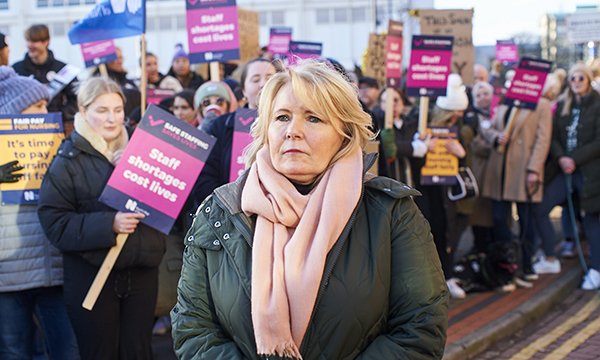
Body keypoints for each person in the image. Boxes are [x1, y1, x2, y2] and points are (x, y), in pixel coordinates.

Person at [171, 60, 448, 359]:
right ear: (266, 129)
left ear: (344, 132)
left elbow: (420, 327)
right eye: (282, 117)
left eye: (313, 118)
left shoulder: (391, 212)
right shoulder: (220, 212)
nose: (293, 131)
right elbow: (192, 329)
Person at [37, 77, 167, 359]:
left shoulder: (146, 153)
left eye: (118, 110)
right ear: (83, 112)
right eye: (102, 110)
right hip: (92, 275)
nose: (112, 119)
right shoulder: (67, 160)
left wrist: (139, 171)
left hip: (142, 272)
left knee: (138, 352)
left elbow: (170, 207)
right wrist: (109, 224)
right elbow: (54, 221)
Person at [0, 66, 79, 359]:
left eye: (47, 105)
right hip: (8, 275)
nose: (46, 111)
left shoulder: (58, 145)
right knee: (13, 351)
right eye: (37, 105)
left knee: (66, 350)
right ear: (12, 112)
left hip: (54, 267)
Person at [480, 74, 552, 281]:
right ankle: (508, 264)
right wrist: (496, 137)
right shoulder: (507, 102)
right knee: (499, 218)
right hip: (500, 170)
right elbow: (491, 128)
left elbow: (543, 139)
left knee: (526, 221)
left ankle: (527, 265)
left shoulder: (541, 105)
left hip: (524, 170)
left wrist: (534, 169)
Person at [534, 63, 600, 288]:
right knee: (541, 207)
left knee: (591, 218)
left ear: (589, 80)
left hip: (590, 172)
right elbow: (553, 138)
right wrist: (562, 158)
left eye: (581, 78)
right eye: (573, 79)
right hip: (565, 171)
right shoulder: (563, 105)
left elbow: (598, 142)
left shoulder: (597, 104)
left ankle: (595, 269)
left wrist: (575, 159)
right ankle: (551, 257)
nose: (576, 82)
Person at [413, 74, 472, 299]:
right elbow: (413, 159)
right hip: (426, 190)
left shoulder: (457, 129)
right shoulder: (420, 124)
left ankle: (446, 277)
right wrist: (422, 147)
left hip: (446, 191)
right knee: (430, 232)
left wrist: (460, 154)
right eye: (455, 112)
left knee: (447, 232)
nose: (459, 115)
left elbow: (462, 162)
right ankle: (432, 280)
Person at [193, 58, 276, 205]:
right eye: (255, 79)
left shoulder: (291, 126)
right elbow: (205, 176)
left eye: (270, 78)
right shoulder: (222, 125)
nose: (263, 84)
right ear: (243, 90)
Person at [12, 24, 78, 132]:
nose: (29, 45)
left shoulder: (62, 69)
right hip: (24, 128)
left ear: (46, 42)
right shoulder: (16, 69)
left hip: (56, 126)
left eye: (34, 41)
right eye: (28, 40)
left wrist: (59, 115)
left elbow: (76, 97)